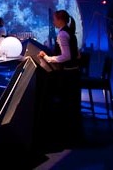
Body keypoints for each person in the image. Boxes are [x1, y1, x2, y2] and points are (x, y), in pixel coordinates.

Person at [37, 9, 83, 148]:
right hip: (74, 73)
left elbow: (66, 56)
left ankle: (66, 138)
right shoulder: (69, 31)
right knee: (72, 105)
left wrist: (47, 58)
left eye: (54, 19)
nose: (53, 22)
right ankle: (73, 136)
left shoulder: (62, 34)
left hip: (68, 75)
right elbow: (75, 54)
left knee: (67, 104)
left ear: (60, 20)